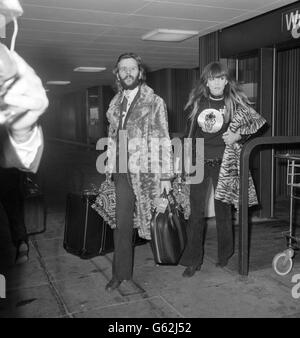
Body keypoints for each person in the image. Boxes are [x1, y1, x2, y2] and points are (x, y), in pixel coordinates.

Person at [179, 61, 266, 277]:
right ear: (206, 82)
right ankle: (193, 260)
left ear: (226, 80)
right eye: (212, 78)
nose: (216, 82)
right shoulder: (197, 102)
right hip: (198, 160)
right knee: (195, 213)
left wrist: (239, 135)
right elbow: (187, 133)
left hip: (224, 162)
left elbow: (258, 122)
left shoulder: (234, 102)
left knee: (223, 212)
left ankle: (224, 254)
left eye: (220, 78)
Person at [103, 52, 173, 292]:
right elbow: (113, 137)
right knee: (121, 224)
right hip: (121, 172)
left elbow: (163, 139)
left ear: (140, 72)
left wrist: (166, 176)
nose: (128, 72)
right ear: (118, 74)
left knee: (154, 222)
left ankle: (173, 255)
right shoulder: (115, 102)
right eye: (123, 69)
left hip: (146, 174)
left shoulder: (154, 102)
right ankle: (120, 274)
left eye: (132, 68)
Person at [0, 50, 48, 264]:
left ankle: (21, 245)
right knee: (14, 210)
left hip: (7, 171)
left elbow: (24, 148)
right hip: (8, 172)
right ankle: (21, 245)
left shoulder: (11, 108)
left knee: (14, 210)